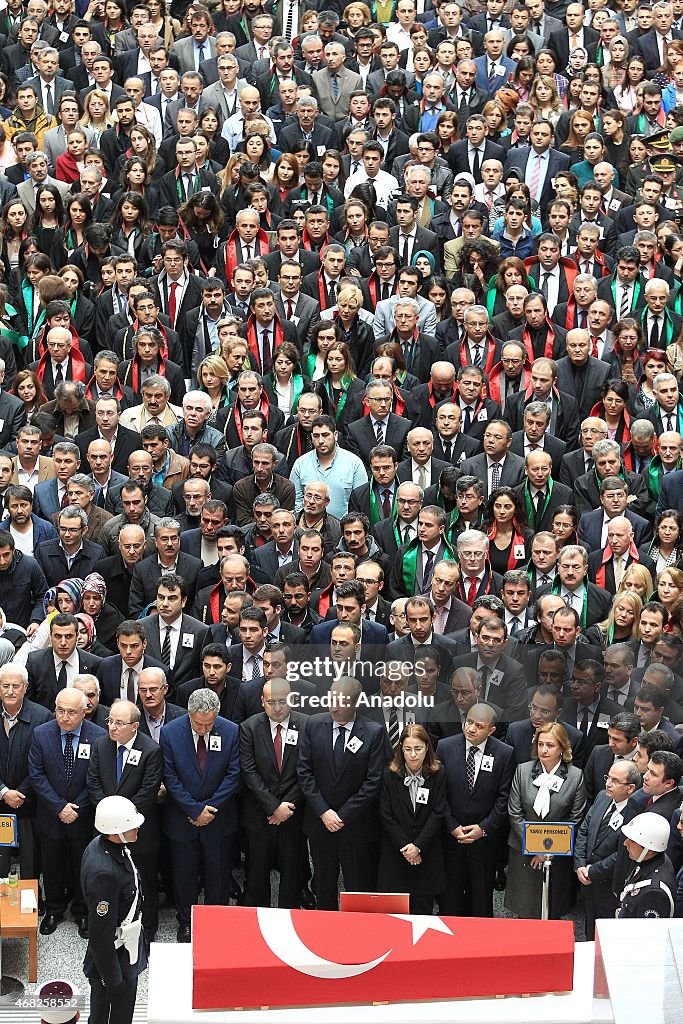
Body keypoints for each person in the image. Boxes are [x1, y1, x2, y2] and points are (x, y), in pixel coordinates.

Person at [159, 688, 240, 942]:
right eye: (198, 724)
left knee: (218, 874)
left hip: (218, 819)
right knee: (184, 875)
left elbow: (233, 774)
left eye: (209, 723)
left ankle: (215, 920)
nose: (204, 729)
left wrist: (209, 809)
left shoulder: (230, 730)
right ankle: (186, 921)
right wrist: (194, 809)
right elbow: (169, 777)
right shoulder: (170, 732)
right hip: (182, 818)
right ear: (189, 715)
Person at [506, 722, 587, 919]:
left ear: (562, 747)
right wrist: (535, 847)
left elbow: (576, 818)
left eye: (550, 745)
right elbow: (515, 812)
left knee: (553, 909)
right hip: (523, 850)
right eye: (540, 744)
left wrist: (547, 851)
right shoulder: (523, 771)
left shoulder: (575, 776)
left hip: (557, 855)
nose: (543, 750)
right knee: (525, 910)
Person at [239, 677, 307, 909]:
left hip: (293, 813)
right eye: (271, 702)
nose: (277, 708)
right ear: (262, 702)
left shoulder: (306, 725)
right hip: (260, 814)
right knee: (257, 872)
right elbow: (249, 772)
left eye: (282, 702)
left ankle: (290, 916)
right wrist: (273, 807)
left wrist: (286, 806)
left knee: (292, 871)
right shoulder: (249, 727)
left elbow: (307, 771)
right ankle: (259, 918)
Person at [80, 795, 147, 1024]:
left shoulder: (106, 846)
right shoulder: (104, 874)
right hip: (114, 960)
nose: (137, 827)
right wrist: (114, 981)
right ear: (116, 830)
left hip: (125, 947)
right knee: (111, 1016)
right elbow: (100, 935)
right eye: (131, 825)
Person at [377, 723, 446, 914]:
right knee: (395, 916)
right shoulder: (389, 775)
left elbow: (438, 813)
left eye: (418, 749)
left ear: (427, 748)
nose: (413, 754)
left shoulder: (438, 774)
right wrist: (407, 847)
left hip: (426, 853)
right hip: (396, 854)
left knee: (423, 912)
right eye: (408, 749)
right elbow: (386, 815)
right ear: (401, 749)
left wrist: (418, 846)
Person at [617, 812, 677, 918]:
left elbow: (647, 933)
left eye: (632, 841)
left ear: (649, 849)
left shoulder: (654, 894)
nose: (625, 843)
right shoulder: (650, 860)